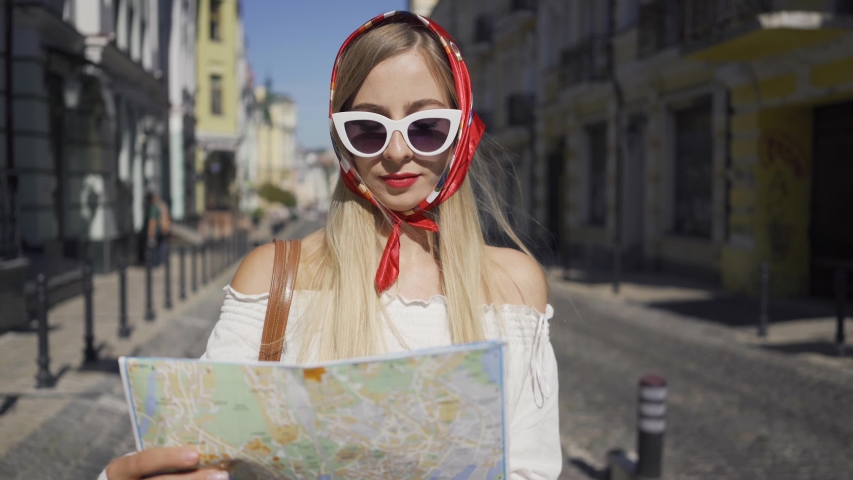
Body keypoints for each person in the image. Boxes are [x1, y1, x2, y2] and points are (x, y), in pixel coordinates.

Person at [101, 11, 560, 480]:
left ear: (459, 134)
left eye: (426, 126)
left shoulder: (514, 286)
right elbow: (206, 456)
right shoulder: (272, 277)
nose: (397, 151)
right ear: (340, 139)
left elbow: (531, 469)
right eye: (367, 128)